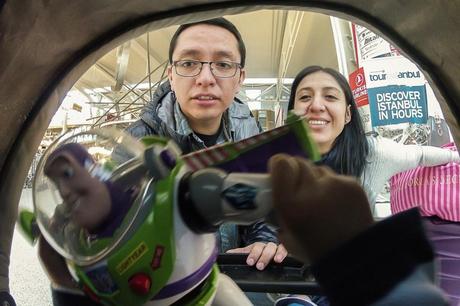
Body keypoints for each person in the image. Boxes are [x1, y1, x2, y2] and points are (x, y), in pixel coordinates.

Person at [125, 17, 287, 272]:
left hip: (234, 274)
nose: (205, 78)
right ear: (171, 74)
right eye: (189, 63)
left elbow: (258, 204)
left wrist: (262, 240)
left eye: (223, 64)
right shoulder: (138, 142)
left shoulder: (247, 130)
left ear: (240, 78)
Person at [268, 154, 449, 306]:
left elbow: (422, 154)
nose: (317, 109)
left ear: (348, 115)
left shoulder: (377, 154)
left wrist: (349, 248)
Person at [287, 65, 460, 213]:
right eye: (304, 97)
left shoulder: (373, 153)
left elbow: (420, 155)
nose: (316, 105)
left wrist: (455, 156)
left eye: (330, 96)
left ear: (348, 114)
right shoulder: (274, 159)